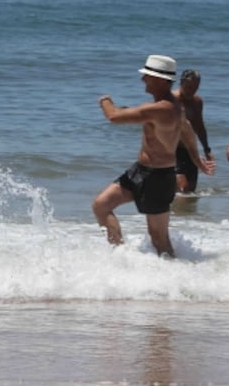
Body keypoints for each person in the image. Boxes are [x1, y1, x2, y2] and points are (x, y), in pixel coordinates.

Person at [92, 55, 215, 257]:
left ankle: (177, 278)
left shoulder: (162, 109)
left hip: (158, 178)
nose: (143, 80)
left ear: (159, 80)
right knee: (101, 206)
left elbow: (113, 116)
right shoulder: (173, 106)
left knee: (159, 238)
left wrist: (105, 100)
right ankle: (120, 258)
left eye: (147, 76)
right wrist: (198, 161)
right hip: (139, 171)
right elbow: (188, 132)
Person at [172, 69, 213, 193]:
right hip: (172, 151)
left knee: (190, 192)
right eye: (189, 87)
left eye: (196, 87)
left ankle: (182, 213)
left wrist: (207, 149)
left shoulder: (197, 102)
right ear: (182, 82)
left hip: (190, 151)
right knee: (182, 189)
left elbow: (200, 127)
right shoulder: (172, 99)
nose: (192, 91)